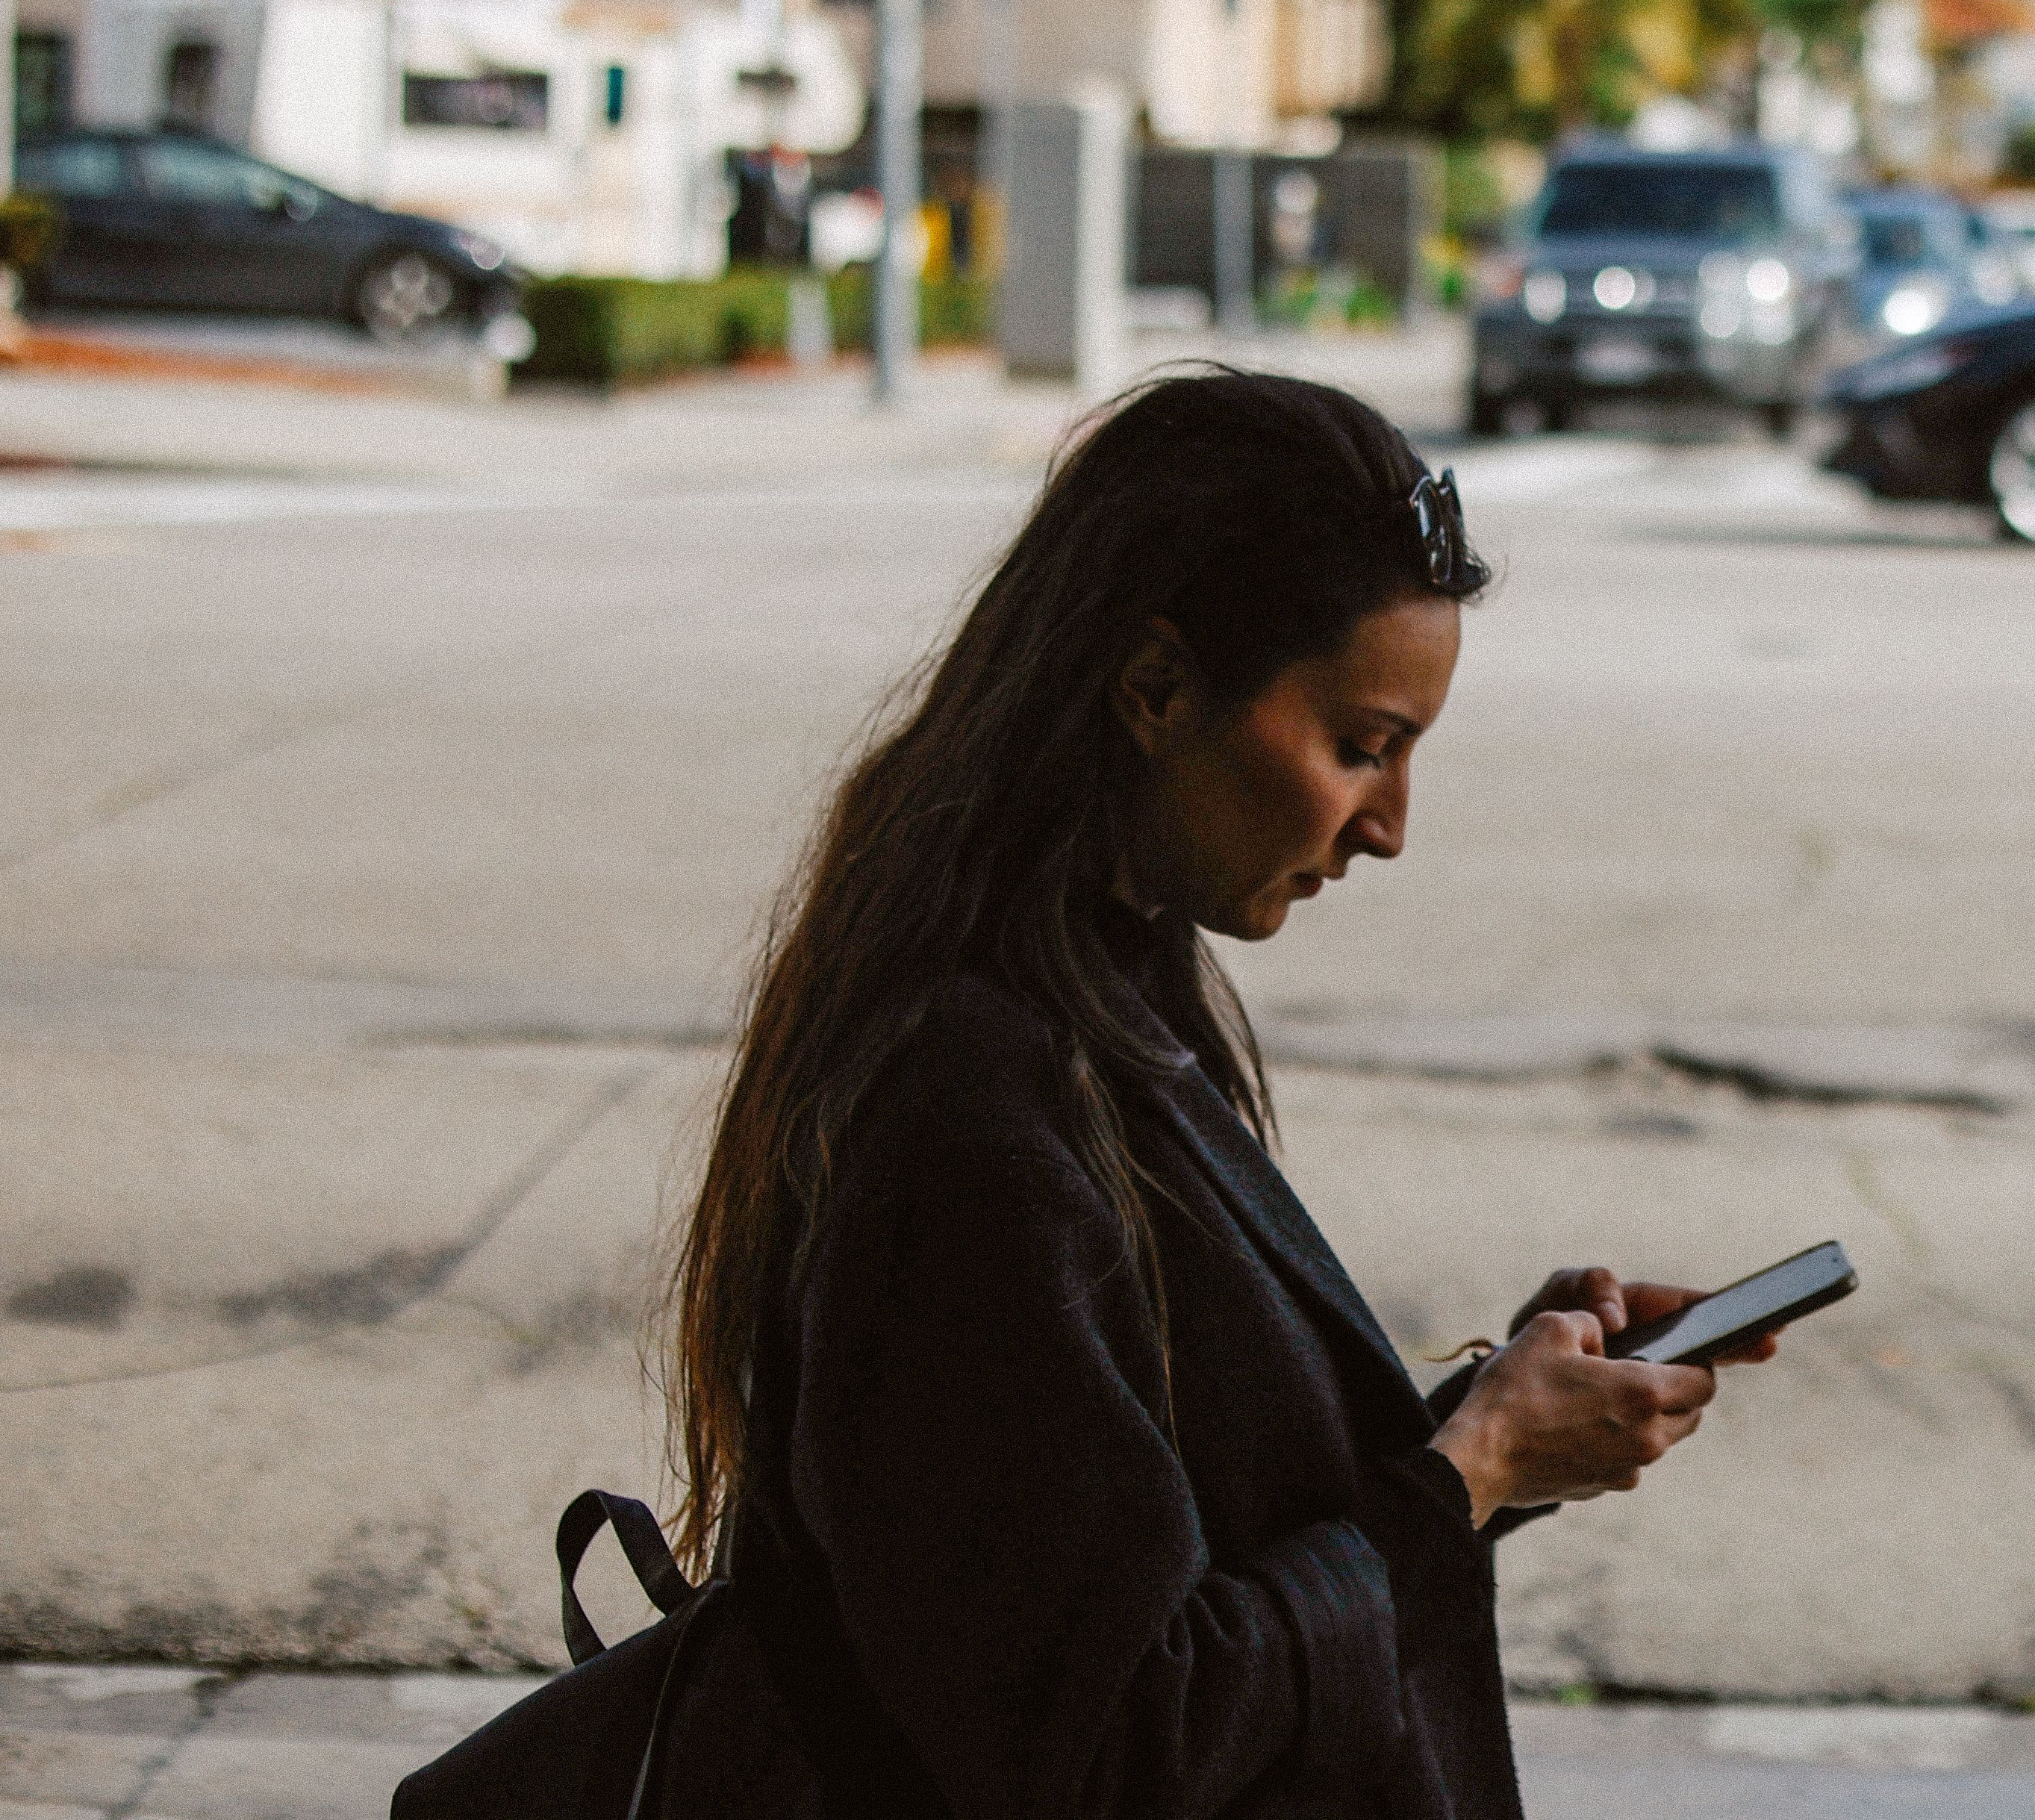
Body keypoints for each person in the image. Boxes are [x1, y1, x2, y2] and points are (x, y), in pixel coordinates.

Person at [649, 367, 1765, 1818]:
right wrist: (1472, 1472)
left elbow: (1183, 1505)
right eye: (1360, 745)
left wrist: (1492, 1420)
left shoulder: (1100, 984)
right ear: (1157, 687)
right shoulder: (969, 1111)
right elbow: (1114, 1742)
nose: (1388, 828)